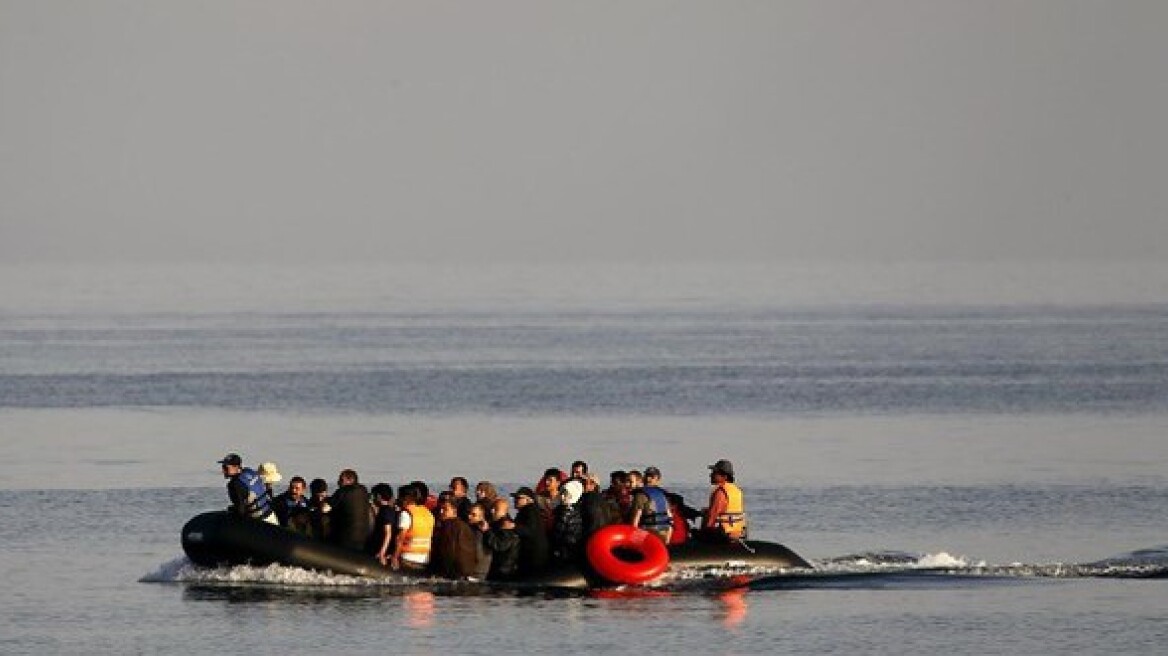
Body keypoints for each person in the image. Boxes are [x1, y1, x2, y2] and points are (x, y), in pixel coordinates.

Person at [218, 453, 277, 525]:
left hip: (260, 523)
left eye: (226, 468)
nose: (223, 471)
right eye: (223, 467)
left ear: (236, 467)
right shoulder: (249, 471)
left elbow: (241, 511)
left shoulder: (234, 484)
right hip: (272, 516)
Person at [429, 498, 478, 579]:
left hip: (451, 573)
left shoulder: (446, 527)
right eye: (440, 509)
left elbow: (446, 551)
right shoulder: (465, 526)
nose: (441, 512)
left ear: (454, 511)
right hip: (466, 572)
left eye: (445, 509)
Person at [700, 459, 747, 542]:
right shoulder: (737, 490)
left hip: (724, 535)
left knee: (693, 532)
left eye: (715, 473)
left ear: (725, 477)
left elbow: (711, 521)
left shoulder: (720, 492)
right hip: (739, 533)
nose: (711, 475)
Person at [392, 484, 435, 572]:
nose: (398, 500)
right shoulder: (428, 513)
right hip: (425, 559)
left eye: (400, 497)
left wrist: (395, 557)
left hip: (408, 558)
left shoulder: (406, 513)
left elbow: (400, 538)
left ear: (406, 498)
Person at [328, 468, 372, 551]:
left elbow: (325, 508)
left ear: (350, 480)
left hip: (346, 537)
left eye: (341, 480)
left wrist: (326, 500)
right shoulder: (363, 490)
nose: (338, 482)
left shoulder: (343, 491)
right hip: (363, 537)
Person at [510, 486, 549, 576]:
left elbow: (530, 530)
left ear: (529, 500)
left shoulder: (530, 511)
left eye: (518, 498)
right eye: (515, 498)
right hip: (532, 553)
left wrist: (514, 527)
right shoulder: (525, 511)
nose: (515, 500)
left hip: (534, 554)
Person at [630, 466, 673, 543]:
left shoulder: (640, 495)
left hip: (648, 531)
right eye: (647, 476)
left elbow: (636, 519)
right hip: (664, 531)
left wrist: (633, 540)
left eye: (651, 476)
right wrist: (667, 539)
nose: (648, 478)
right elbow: (670, 518)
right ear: (658, 480)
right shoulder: (663, 494)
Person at [551, 479, 585, 564]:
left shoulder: (568, 513)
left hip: (567, 551)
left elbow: (560, 533)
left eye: (566, 494)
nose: (562, 497)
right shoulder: (563, 511)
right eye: (562, 493)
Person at [579, 472, 617, 537]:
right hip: (603, 535)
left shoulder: (588, 499)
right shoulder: (602, 499)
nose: (580, 485)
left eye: (582, 482)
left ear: (592, 484)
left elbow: (592, 521)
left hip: (593, 536)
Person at [369, 483, 398, 565]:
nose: (372, 499)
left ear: (378, 496)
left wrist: (382, 553)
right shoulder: (390, 510)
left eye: (373, 496)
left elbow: (388, 533)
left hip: (384, 552)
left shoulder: (385, 511)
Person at [465, 503, 494, 580]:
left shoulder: (481, 532)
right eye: (469, 513)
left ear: (481, 517)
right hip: (477, 571)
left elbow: (477, 553)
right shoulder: (470, 529)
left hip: (477, 572)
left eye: (473, 515)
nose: (469, 516)